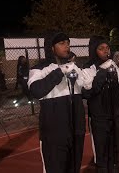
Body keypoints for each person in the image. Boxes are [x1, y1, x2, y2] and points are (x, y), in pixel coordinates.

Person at [27, 31, 89, 173]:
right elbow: (36, 91)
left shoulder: (74, 67)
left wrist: (90, 82)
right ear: (51, 47)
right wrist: (59, 71)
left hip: (76, 131)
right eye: (62, 43)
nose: (66, 46)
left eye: (68, 43)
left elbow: (86, 94)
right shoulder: (39, 69)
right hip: (54, 134)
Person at [82, 35, 119, 173]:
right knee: (102, 154)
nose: (105, 51)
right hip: (99, 118)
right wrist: (102, 73)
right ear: (94, 50)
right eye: (101, 48)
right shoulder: (88, 68)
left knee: (116, 151)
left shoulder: (113, 65)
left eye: (107, 48)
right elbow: (88, 94)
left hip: (116, 115)